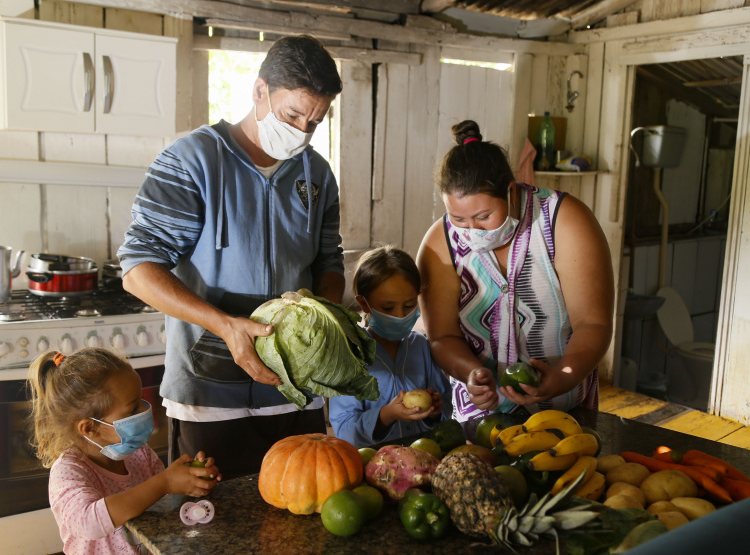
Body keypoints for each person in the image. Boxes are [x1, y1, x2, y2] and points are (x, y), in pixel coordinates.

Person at [117, 35, 345, 478]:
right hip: (209, 393)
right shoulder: (192, 161)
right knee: (213, 515)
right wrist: (225, 326)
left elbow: (328, 262)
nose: (302, 132)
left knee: (300, 511)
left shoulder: (316, 173)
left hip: (295, 388)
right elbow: (138, 268)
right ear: (260, 91)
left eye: (314, 122)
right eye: (292, 115)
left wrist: (326, 317)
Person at [416, 120, 614, 423]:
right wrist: (471, 374)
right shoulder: (440, 241)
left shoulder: (564, 221)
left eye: (484, 216)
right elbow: (442, 335)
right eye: (459, 218)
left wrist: (562, 377)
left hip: (564, 413)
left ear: (510, 191)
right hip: (482, 418)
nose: (472, 230)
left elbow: (593, 323)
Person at [29, 348, 220, 554]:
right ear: (90, 428)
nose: (145, 411)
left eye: (141, 400)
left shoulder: (140, 453)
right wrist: (165, 482)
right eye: (132, 409)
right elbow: (88, 523)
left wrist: (188, 480)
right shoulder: (68, 471)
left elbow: (161, 499)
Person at [329, 246, 451, 447]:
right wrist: (387, 415)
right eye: (388, 308)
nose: (400, 316)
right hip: (375, 462)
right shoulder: (352, 357)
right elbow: (345, 430)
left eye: (409, 305)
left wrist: (436, 410)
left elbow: (446, 405)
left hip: (424, 456)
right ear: (364, 304)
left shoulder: (421, 347)